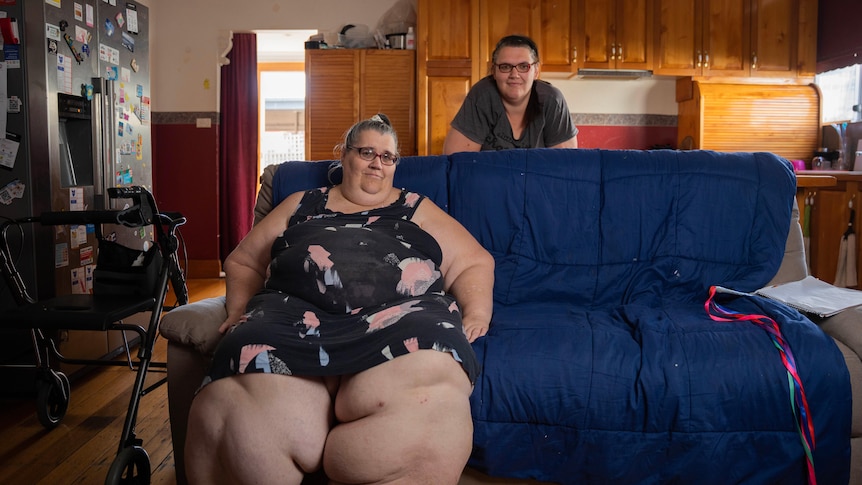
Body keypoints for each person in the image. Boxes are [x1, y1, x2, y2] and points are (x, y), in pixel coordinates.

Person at [184, 114, 496, 485]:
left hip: (402, 317)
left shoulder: (415, 206)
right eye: (367, 152)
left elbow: (474, 260)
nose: (377, 163)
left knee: (436, 403)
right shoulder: (304, 202)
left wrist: (477, 312)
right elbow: (244, 259)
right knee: (230, 403)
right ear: (343, 156)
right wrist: (237, 309)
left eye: (388, 156)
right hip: (291, 314)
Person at [443, 34, 578, 154]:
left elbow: (565, 165)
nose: (514, 74)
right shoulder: (482, 96)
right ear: (494, 71)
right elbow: (457, 162)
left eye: (524, 66)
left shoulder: (552, 99)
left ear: (536, 71)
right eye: (505, 67)